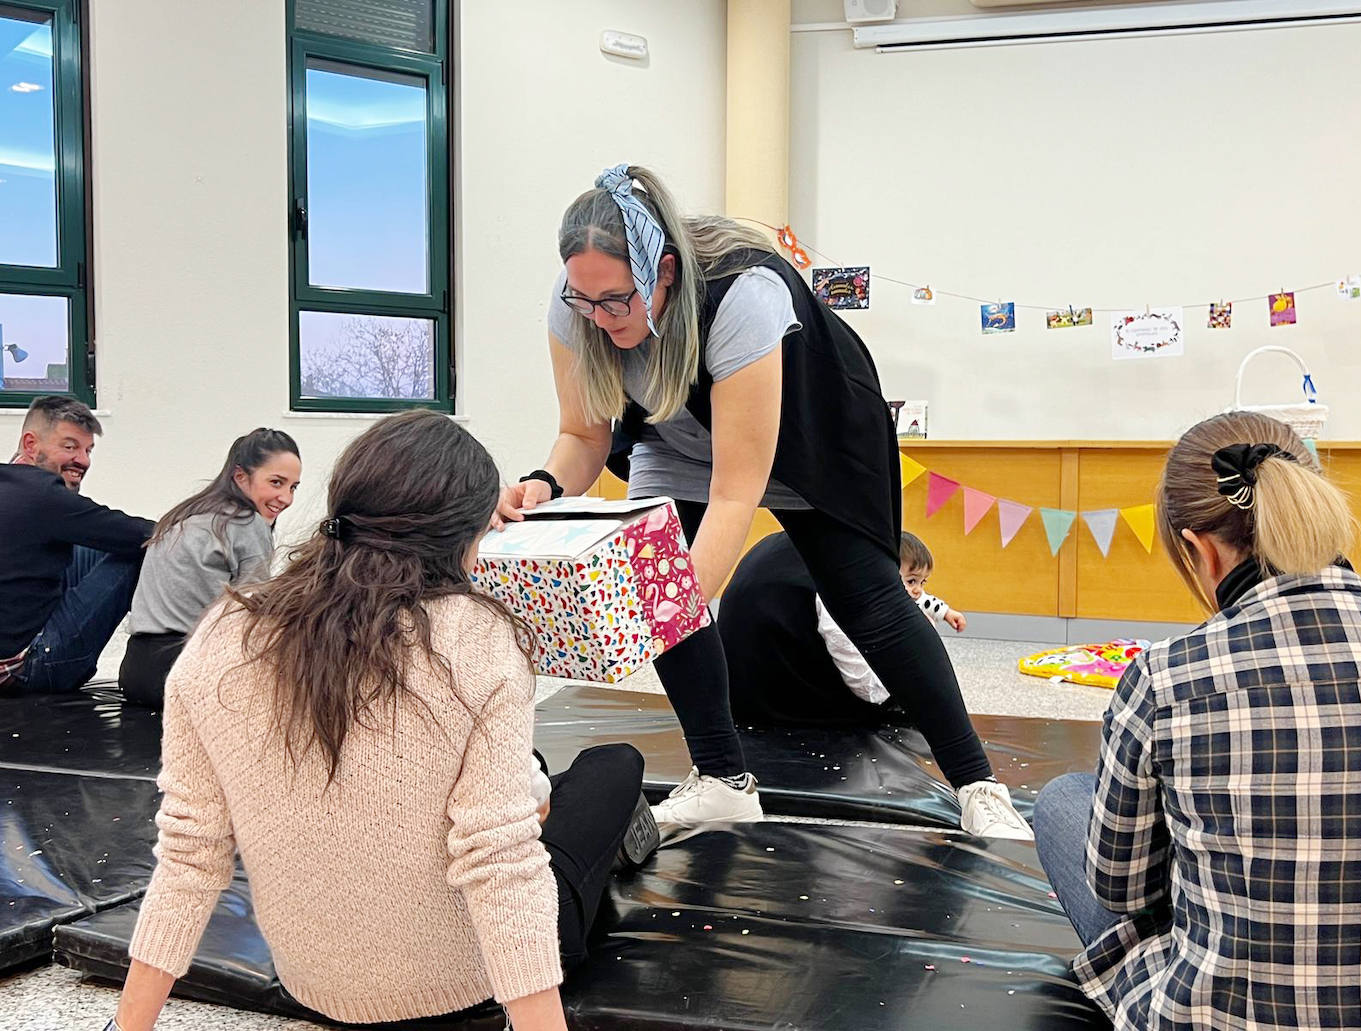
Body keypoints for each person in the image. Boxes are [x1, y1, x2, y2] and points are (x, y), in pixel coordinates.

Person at [495, 163, 1027, 838]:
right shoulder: (578, 302)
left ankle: (977, 782)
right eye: (585, 302)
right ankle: (722, 779)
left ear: (663, 272)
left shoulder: (742, 293)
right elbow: (581, 433)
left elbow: (734, 493)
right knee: (659, 575)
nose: (599, 319)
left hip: (812, 429)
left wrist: (660, 615)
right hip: (678, 429)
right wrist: (540, 485)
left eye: (616, 302)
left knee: (867, 600)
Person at [109, 411, 655, 1031]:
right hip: (464, 979)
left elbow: (190, 853)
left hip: (310, 980)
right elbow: (501, 865)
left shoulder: (224, 635)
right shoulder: (478, 638)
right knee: (612, 767)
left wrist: (127, 1027)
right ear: (470, 535)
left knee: (526, 790)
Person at [1034, 411, 1361, 1030]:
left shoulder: (1166, 675)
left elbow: (1123, 892)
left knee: (1063, 801)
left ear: (1198, 548)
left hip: (1213, 1012)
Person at [720, 532, 982, 730]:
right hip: (785, 710)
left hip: (737, 698)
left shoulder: (790, 542)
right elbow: (867, 688)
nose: (917, 590)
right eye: (911, 581)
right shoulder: (844, 568)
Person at [118, 428, 301, 706]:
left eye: (293, 487)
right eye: (276, 483)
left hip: (136, 669)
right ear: (241, 477)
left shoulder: (188, 514)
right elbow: (253, 613)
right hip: (182, 670)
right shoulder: (247, 523)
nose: (286, 498)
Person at [0, 396, 153, 695]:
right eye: (69, 446)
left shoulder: (11, 485)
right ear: (31, 445)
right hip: (25, 670)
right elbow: (136, 532)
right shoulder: (43, 496)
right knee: (140, 548)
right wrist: (198, 527)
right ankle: (159, 655)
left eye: (88, 450)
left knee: (90, 545)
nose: (83, 460)